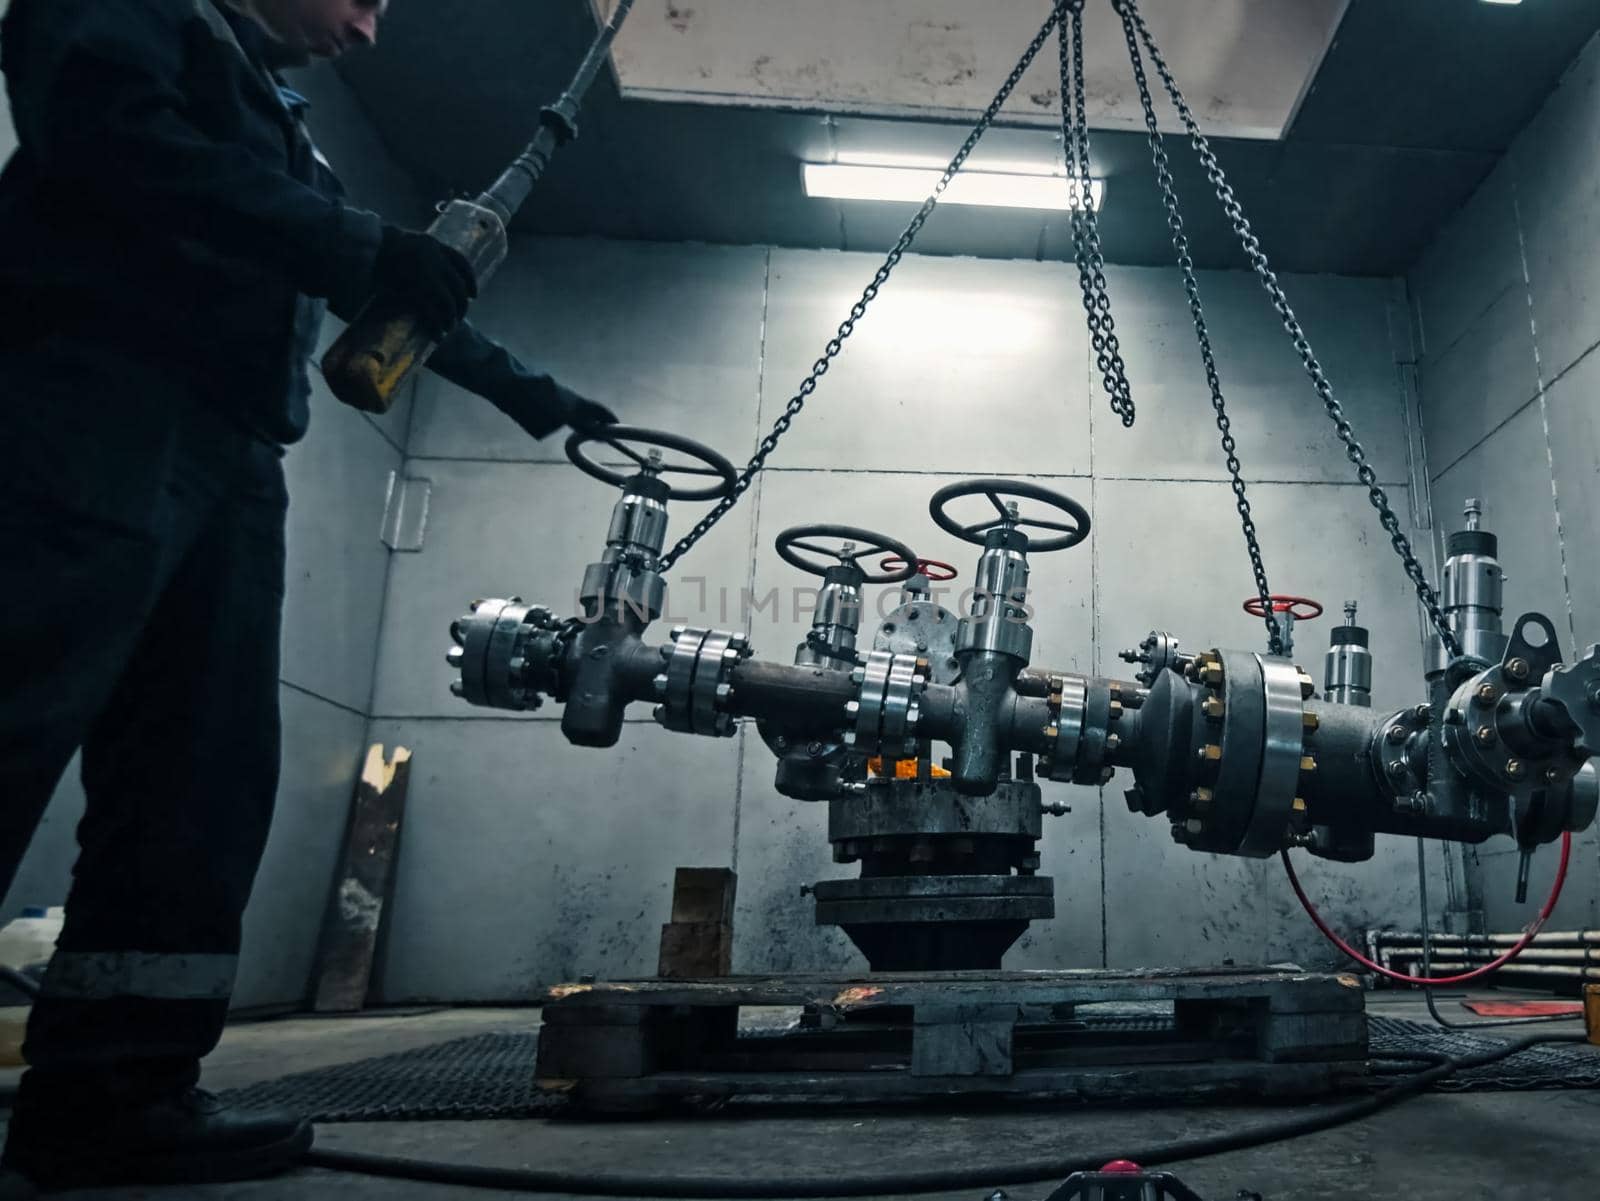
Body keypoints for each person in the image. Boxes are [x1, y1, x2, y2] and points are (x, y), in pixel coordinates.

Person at [0, 0, 615, 1187]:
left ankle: (115, 1092)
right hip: (87, 404)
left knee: (200, 779)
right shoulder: (121, 10)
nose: (369, 30)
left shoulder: (274, 117)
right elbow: (117, 148)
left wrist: (525, 389)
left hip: (231, 457)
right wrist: (374, 253)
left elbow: (351, 263)